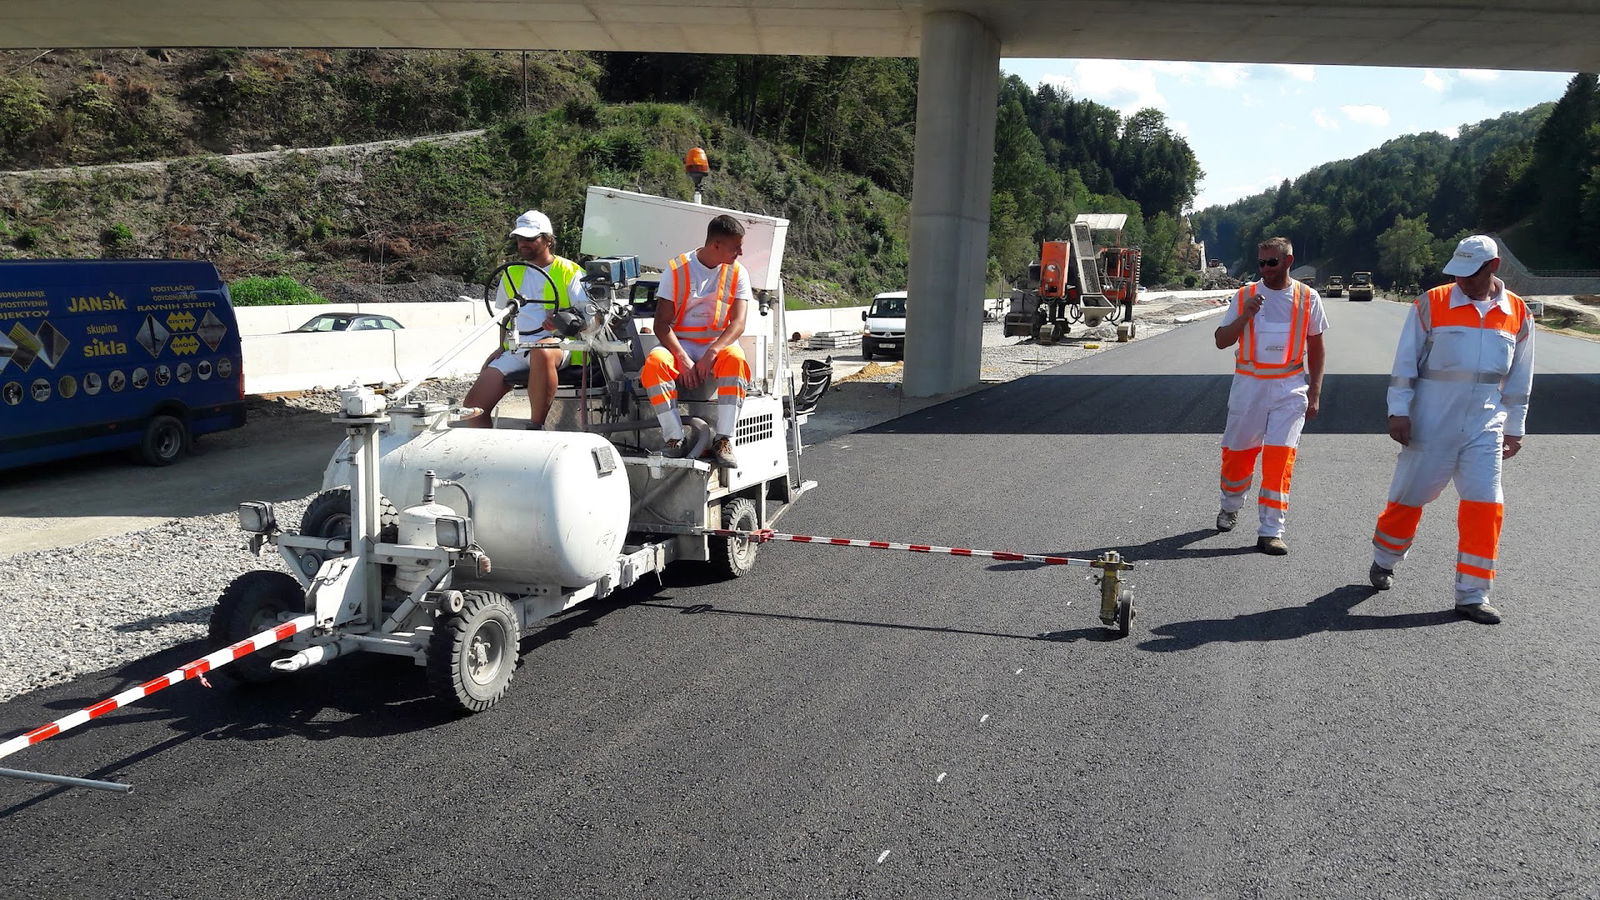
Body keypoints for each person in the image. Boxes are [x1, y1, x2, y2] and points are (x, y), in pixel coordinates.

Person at [1367, 235, 1534, 625]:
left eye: (1470, 274)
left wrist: (1515, 427)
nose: (1461, 281)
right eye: (1456, 272)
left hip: (1485, 425)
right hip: (1431, 421)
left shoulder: (1517, 312)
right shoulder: (1432, 303)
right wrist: (1398, 412)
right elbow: (1406, 361)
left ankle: (1473, 594)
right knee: (1410, 497)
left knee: (1486, 504)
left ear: (1493, 268)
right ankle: (1384, 558)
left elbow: (1520, 377)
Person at [1212, 237, 1328, 554]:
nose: (1265, 269)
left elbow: (1316, 347)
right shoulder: (1245, 295)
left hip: (1289, 388)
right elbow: (1222, 341)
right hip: (1249, 387)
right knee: (1238, 454)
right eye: (1261, 263)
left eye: (1271, 263)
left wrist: (1315, 392)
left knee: (1280, 458)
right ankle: (1230, 504)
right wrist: (1245, 316)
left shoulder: (1307, 297)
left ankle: (1271, 530)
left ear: (1288, 261)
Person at [640, 214, 752, 469]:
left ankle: (723, 439)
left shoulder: (738, 272)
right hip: (681, 344)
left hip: (717, 344)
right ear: (716, 246)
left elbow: (738, 323)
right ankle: (674, 439)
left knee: (736, 360)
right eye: (736, 247)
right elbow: (661, 324)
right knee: (655, 363)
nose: (740, 252)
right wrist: (684, 359)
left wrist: (712, 352)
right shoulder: (677, 268)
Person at [460, 210, 588, 429]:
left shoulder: (570, 271)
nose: (523, 243)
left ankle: (536, 426)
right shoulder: (512, 273)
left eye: (530, 238)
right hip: (519, 347)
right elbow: (505, 315)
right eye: (520, 238)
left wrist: (561, 321)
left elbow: (589, 317)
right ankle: (487, 452)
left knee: (541, 351)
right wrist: (500, 348)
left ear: (548, 239)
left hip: (560, 345)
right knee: (472, 409)